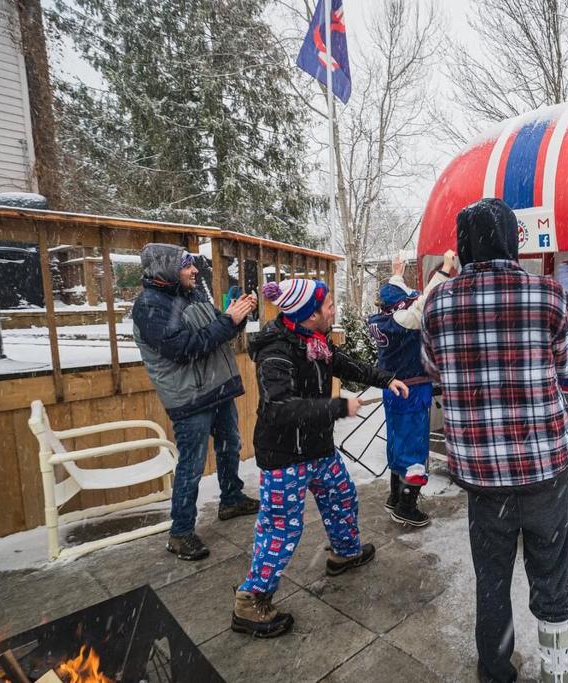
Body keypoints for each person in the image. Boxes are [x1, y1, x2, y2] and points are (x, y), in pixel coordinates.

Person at [421, 198, 568, 683]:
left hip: (483, 475)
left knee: (492, 580)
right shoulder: (548, 295)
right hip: (545, 467)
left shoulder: (438, 302)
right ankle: (556, 672)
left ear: (463, 247)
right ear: (513, 243)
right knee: (551, 575)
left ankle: (496, 671)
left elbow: (434, 369)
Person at [231, 277, 410, 637]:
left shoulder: (313, 340)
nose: (333, 310)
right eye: (328, 305)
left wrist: (386, 378)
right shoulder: (276, 352)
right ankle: (251, 601)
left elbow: (344, 364)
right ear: (310, 314)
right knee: (281, 529)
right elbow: (281, 408)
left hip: (316, 449)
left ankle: (344, 553)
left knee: (342, 497)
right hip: (284, 455)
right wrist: (339, 407)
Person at [133, 243, 261, 562]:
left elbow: (219, 329)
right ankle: (180, 533)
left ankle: (230, 499)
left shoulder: (191, 293)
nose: (194, 270)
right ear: (165, 268)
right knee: (192, 462)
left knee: (231, 443)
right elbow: (184, 348)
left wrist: (238, 315)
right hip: (189, 396)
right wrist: (227, 321)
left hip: (215, 387)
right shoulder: (150, 305)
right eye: (187, 265)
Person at [367, 249, 456, 527]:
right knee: (415, 450)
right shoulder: (403, 321)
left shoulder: (381, 319)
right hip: (411, 391)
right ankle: (407, 506)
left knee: (397, 443)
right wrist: (445, 268)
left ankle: (395, 496)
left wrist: (397, 273)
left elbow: (410, 301)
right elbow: (425, 299)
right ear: (399, 307)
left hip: (392, 389)